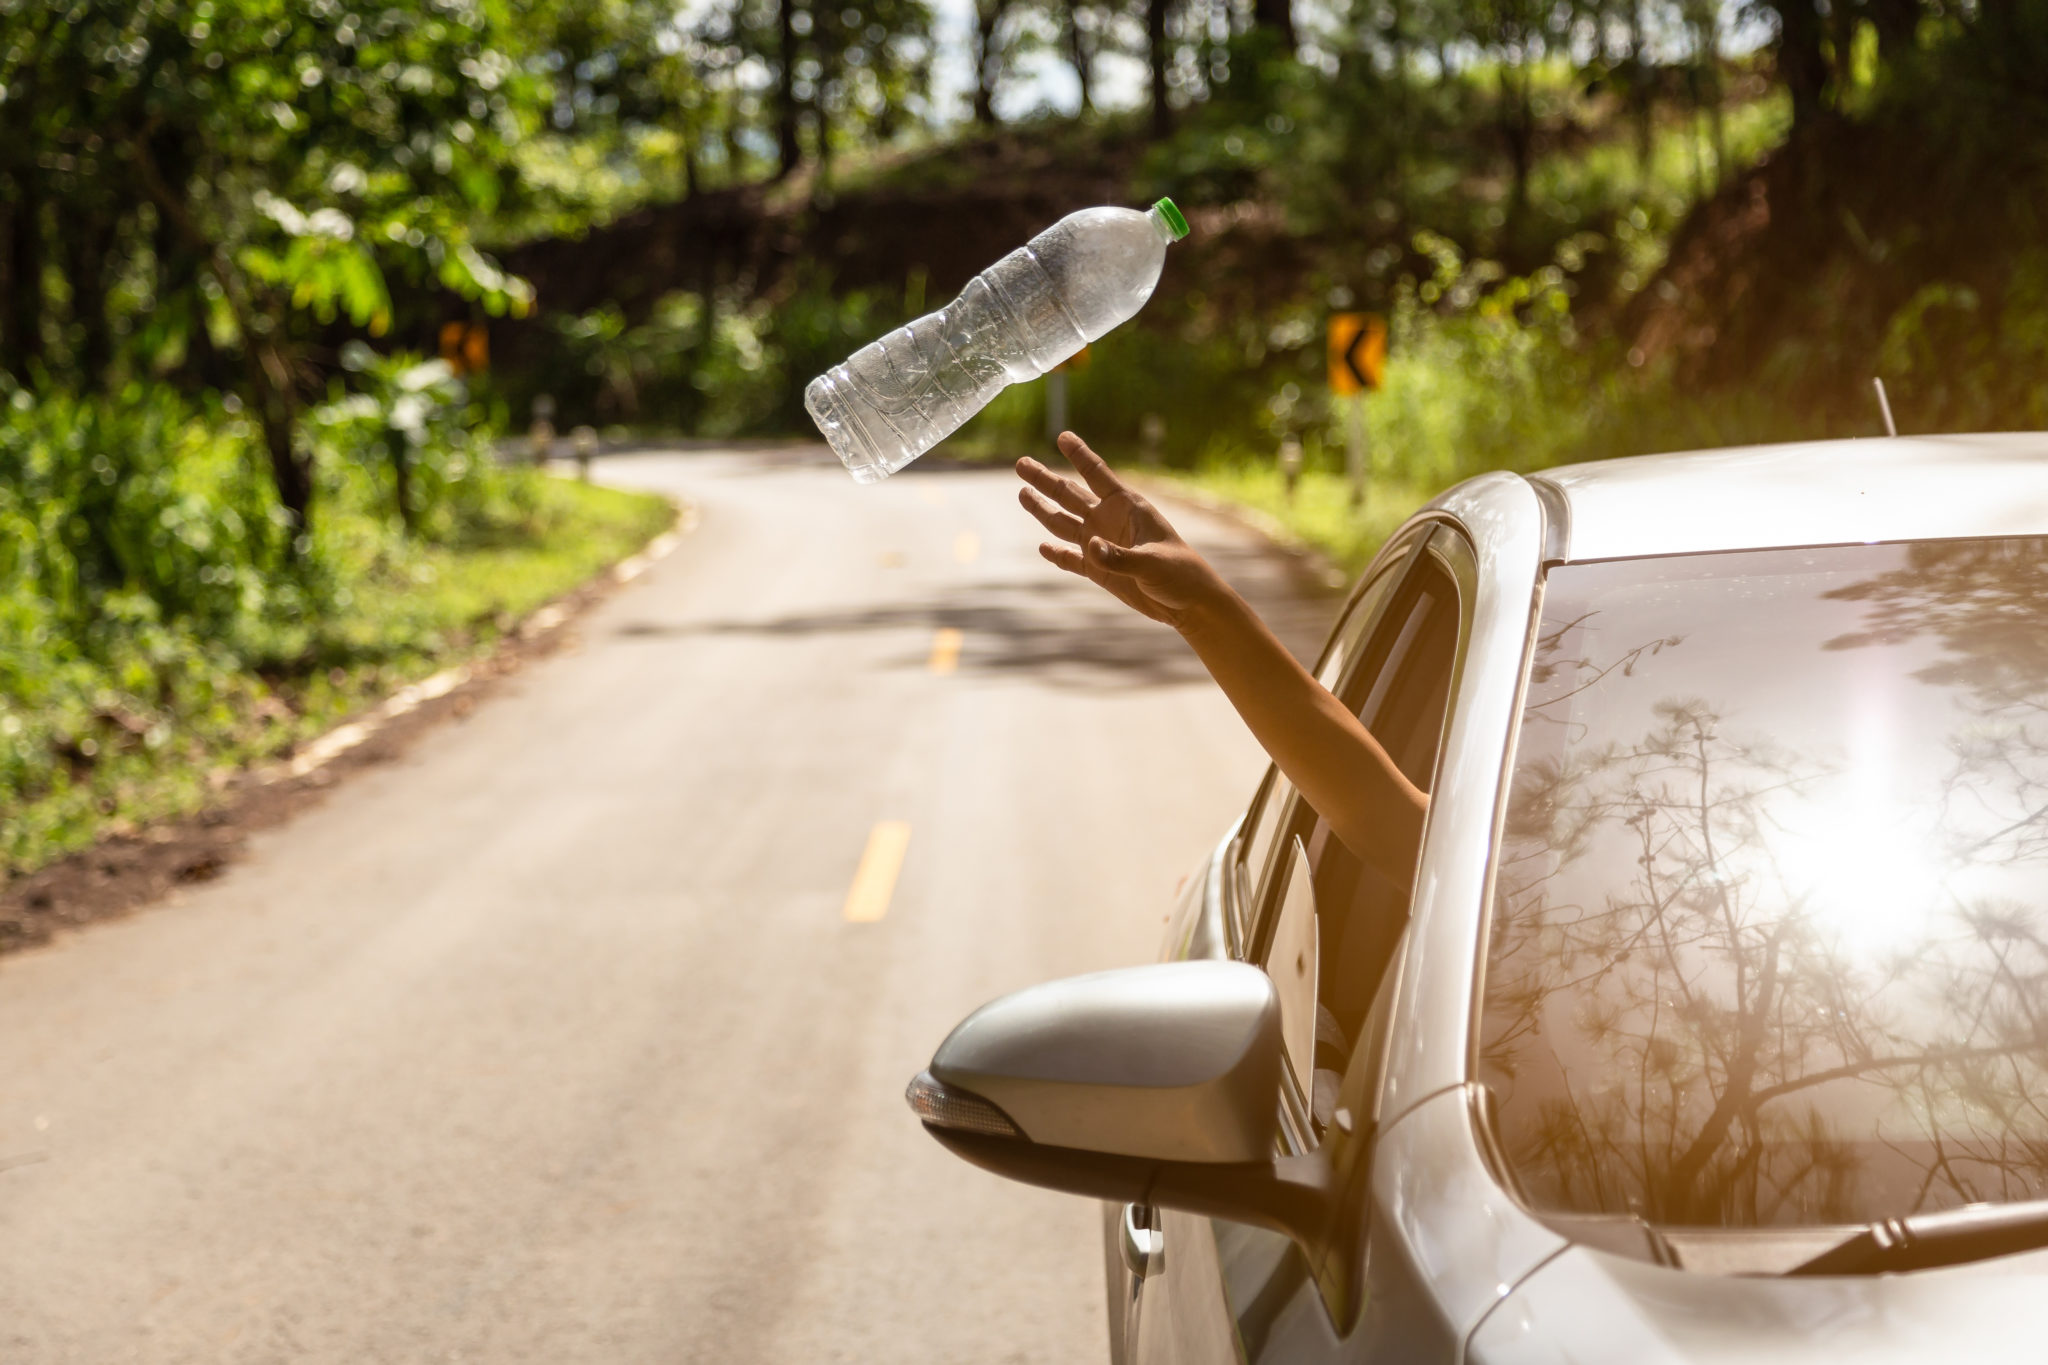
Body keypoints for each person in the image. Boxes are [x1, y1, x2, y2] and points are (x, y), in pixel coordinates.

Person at [1016, 431, 1427, 891]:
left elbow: (1397, 832)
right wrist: (1196, 609)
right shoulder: (1500, 862)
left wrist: (1198, 611)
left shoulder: (1499, 867)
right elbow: (1404, 832)